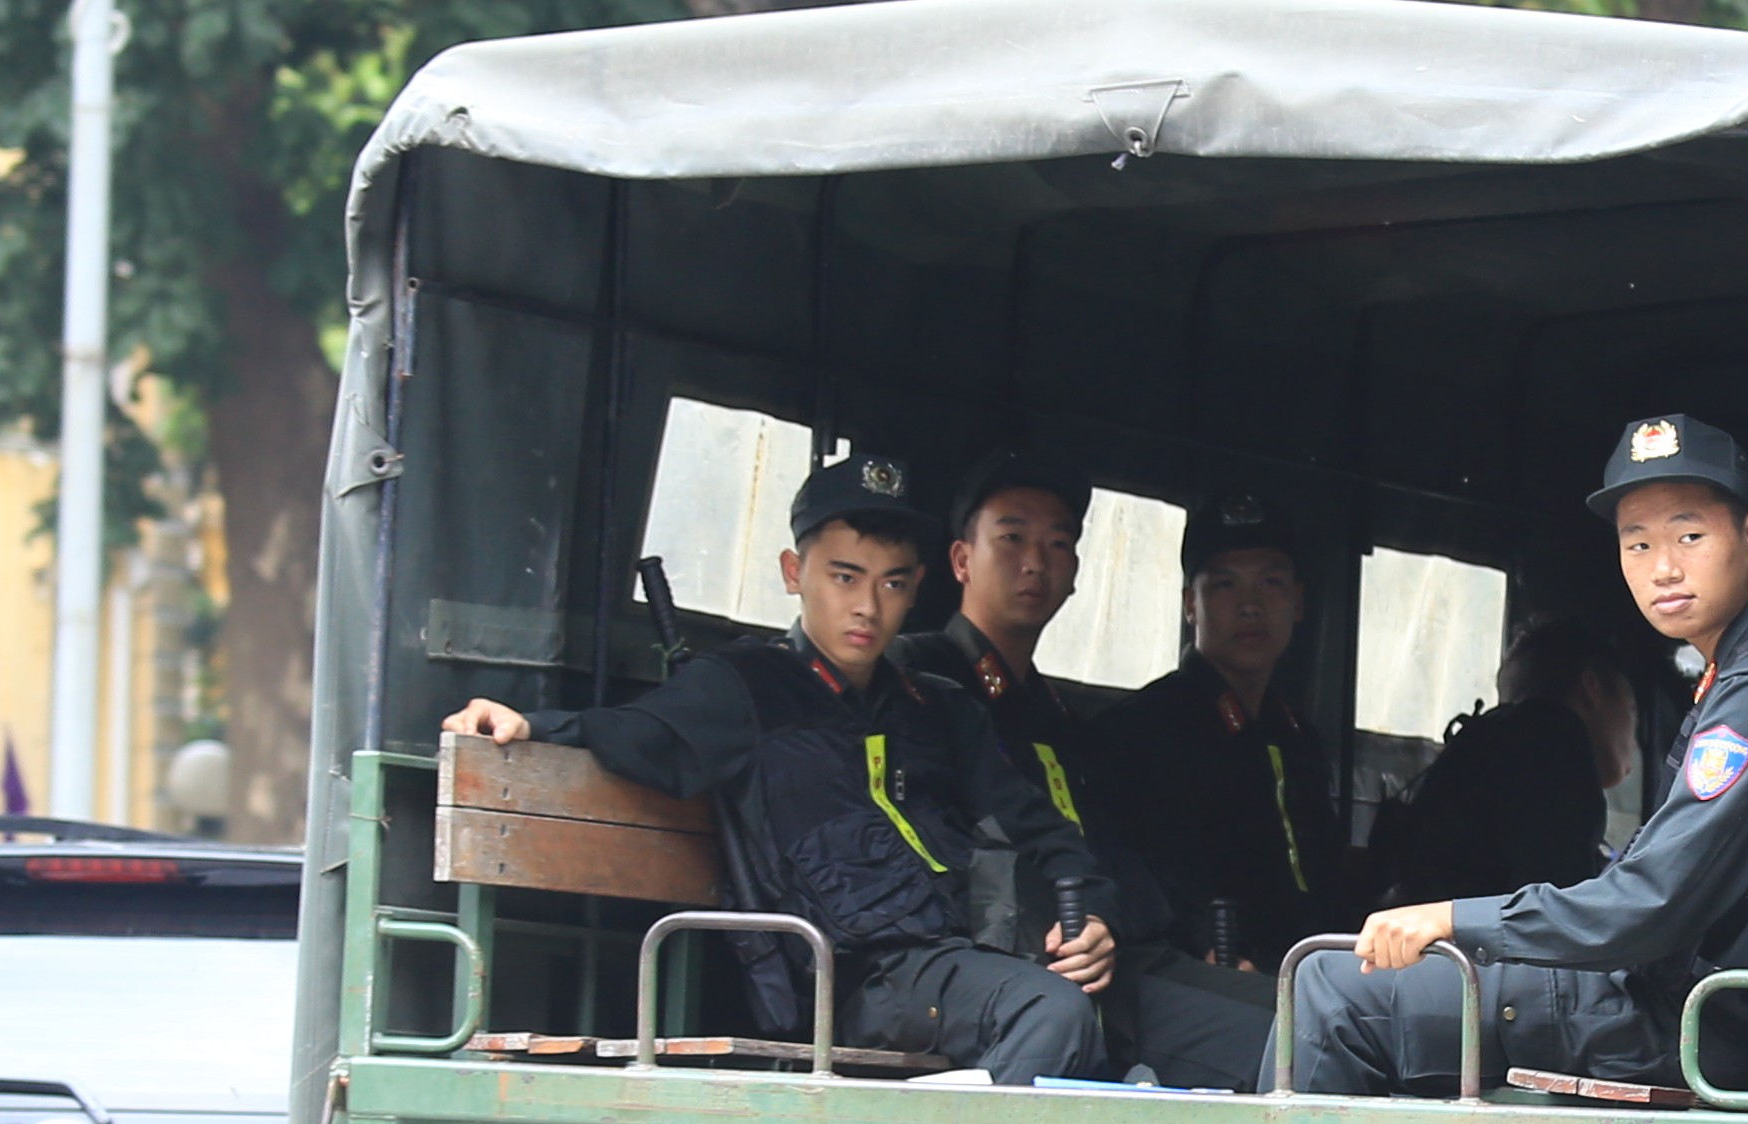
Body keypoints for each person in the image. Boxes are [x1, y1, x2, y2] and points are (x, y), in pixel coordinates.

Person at [437, 455, 1248, 1088]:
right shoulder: (747, 686)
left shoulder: (938, 707)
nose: (868, 608)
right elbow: (639, 732)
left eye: (893, 584)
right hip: (850, 977)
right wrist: (528, 724)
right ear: (796, 575)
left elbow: (1046, 830)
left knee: (1113, 1015)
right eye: (844, 577)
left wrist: (1095, 915)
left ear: (919, 587)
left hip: (957, 961)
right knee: (1055, 1011)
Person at [1292, 413, 1748, 1097]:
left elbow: (1648, 904)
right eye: (1637, 545)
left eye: (1690, 536)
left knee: (1329, 991)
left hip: (1682, 1022)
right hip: (1681, 1002)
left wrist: (1447, 917)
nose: (1663, 568)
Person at [892, 455, 1261, 1076]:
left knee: (1301, 1019)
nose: (1036, 561)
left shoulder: (1056, 713)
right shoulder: (917, 680)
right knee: (1274, 1046)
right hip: (1008, 971)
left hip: (1116, 954)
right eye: (1011, 538)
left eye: (1058, 544)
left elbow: (1114, 854)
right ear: (961, 560)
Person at [1120, 495, 1351, 959]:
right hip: (1215, 977)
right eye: (1225, 585)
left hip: (1318, 973)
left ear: (1299, 602)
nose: (1250, 606)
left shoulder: (1296, 737)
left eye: (1270, 582)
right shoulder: (1146, 728)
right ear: (1190, 605)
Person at [1367, 608, 1638, 911]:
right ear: (1591, 688)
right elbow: (1556, 906)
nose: (1634, 737)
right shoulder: (1551, 740)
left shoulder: (1487, 742)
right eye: (1630, 707)